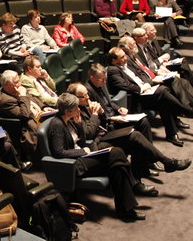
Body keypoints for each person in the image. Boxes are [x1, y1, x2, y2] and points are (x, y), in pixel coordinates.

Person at [48, 93, 145, 222]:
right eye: (76, 108)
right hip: (75, 164)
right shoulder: (57, 125)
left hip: (84, 158)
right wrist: (83, 152)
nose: (79, 110)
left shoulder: (69, 121)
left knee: (118, 167)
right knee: (116, 153)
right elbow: (58, 152)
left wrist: (78, 125)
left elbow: (81, 140)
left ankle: (126, 210)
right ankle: (133, 188)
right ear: (67, 111)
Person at [107, 47, 192, 146]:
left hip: (147, 91)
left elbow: (140, 74)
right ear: (114, 60)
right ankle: (186, 111)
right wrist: (142, 87)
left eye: (124, 55)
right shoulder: (113, 70)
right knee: (163, 91)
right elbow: (123, 85)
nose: (125, 58)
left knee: (165, 101)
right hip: (137, 97)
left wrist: (148, 83)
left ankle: (172, 134)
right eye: (122, 57)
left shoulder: (126, 64)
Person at [0, 70, 41, 163]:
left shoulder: (17, 89)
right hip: (24, 126)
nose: (20, 83)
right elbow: (24, 115)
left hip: (39, 114)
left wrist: (44, 107)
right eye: (16, 82)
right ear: (7, 85)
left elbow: (33, 99)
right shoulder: (6, 101)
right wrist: (22, 96)